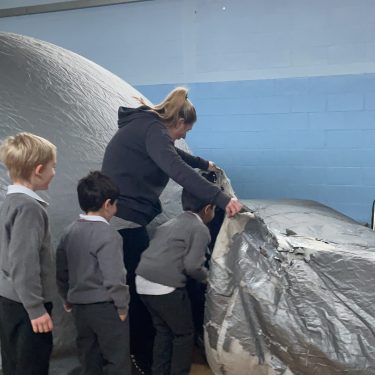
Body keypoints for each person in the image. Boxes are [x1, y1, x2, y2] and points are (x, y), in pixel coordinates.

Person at [101, 86, 242, 370]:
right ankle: (140, 359)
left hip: (127, 218)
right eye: (185, 131)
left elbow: (173, 155)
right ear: (177, 122)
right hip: (125, 220)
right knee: (140, 305)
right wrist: (223, 198)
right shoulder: (152, 130)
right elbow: (175, 168)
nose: (184, 136)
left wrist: (204, 163)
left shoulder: (145, 125)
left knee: (142, 301)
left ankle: (149, 360)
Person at [56, 171, 131, 375]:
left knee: (88, 358)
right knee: (117, 359)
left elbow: (61, 270)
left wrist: (66, 297)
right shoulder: (109, 235)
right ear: (108, 204)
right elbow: (115, 276)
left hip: (79, 307)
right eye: (115, 205)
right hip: (106, 307)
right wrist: (122, 306)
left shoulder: (69, 232)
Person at [135, 188, 215, 375]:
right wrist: (208, 279)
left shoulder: (169, 224)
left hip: (142, 283)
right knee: (184, 334)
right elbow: (192, 266)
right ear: (208, 208)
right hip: (165, 288)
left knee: (163, 331)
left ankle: (159, 371)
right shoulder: (200, 229)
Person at [0, 132, 57, 375]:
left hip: (9, 299)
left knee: (13, 364)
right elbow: (24, 262)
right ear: (39, 169)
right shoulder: (29, 209)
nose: (54, 172)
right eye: (53, 167)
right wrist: (36, 309)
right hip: (26, 306)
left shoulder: (9, 202)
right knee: (31, 366)